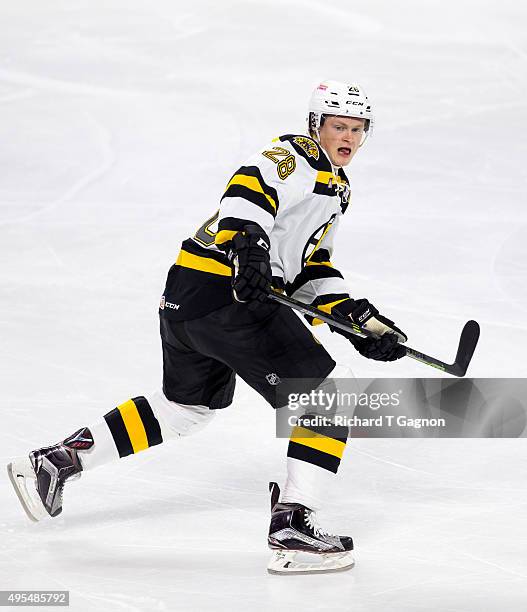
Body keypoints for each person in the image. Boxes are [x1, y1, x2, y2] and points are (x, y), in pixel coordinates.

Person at [7, 80, 406, 574]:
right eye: (338, 126)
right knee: (329, 395)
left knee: (185, 408)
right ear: (315, 126)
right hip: (227, 296)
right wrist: (247, 242)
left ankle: (56, 461)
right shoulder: (298, 153)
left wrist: (358, 319)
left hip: (187, 297)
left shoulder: (337, 190)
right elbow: (248, 186)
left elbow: (307, 267)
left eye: (357, 128)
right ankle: (293, 527)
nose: (347, 136)